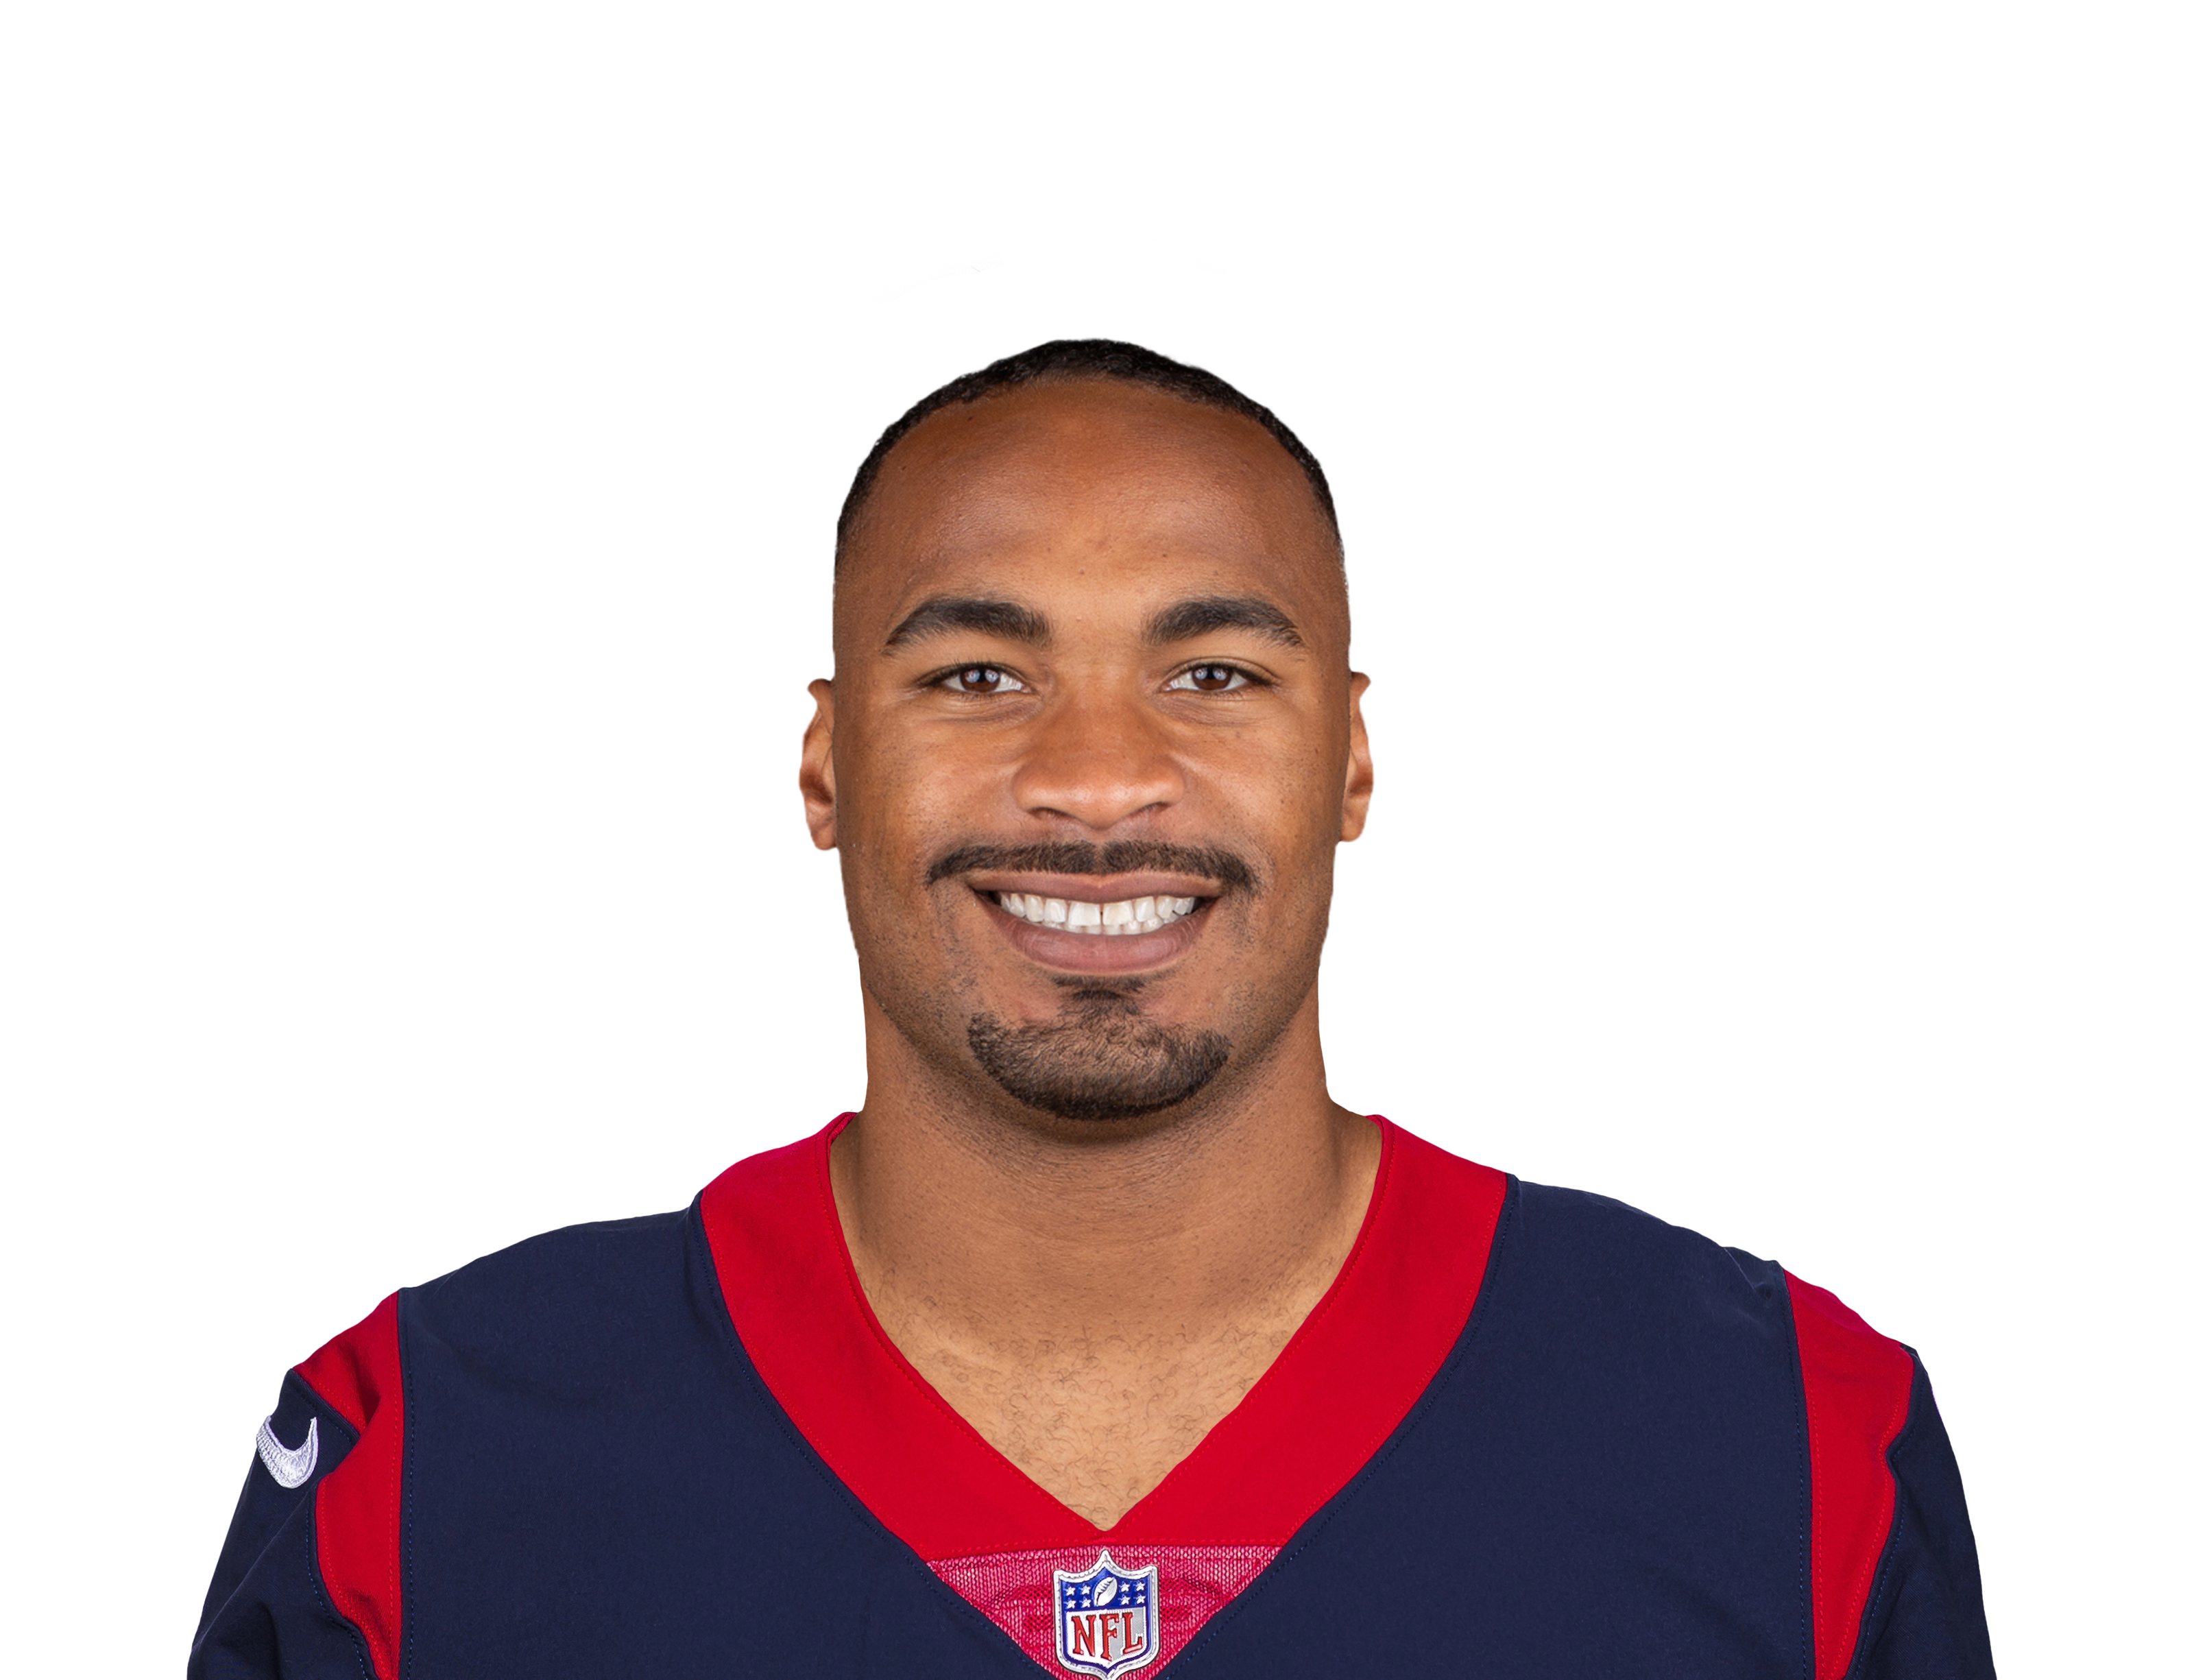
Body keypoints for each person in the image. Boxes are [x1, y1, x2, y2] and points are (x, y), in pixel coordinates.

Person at [190, 338, 1995, 1678]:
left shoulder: (1790, 1442)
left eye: (1214, 671)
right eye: (980, 674)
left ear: (1353, 762)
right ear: (827, 766)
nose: (1100, 777)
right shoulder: (421, 1466)